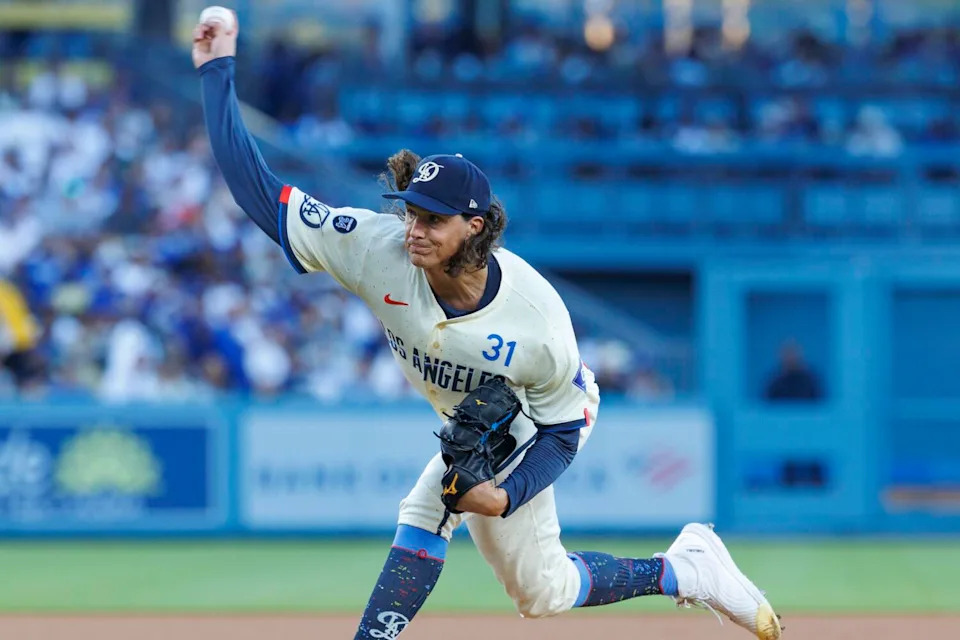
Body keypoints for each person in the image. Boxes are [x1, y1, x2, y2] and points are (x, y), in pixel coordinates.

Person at [192, 13, 782, 640]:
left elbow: (560, 432)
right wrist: (216, 74)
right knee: (543, 593)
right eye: (412, 213)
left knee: (427, 507)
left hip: (542, 411)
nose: (415, 230)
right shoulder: (377, 247)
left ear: (474, 227)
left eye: (434, 220)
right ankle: (683, 572)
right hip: (475, 413)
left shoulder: (536, 319)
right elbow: (259, 192)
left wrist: (507, 495)